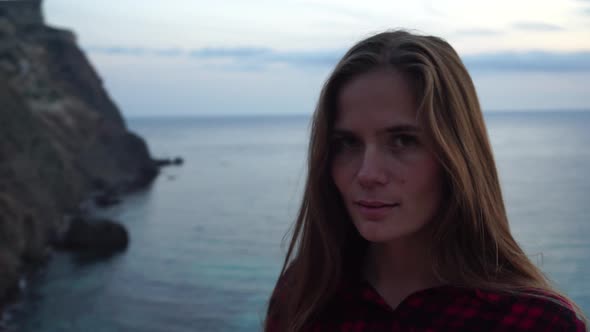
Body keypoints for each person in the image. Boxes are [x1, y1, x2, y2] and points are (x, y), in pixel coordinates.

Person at [264, 30, 588, 332]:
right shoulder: (304, 295)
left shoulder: (535, 322)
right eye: (347, 143)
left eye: (403, 141)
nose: (367, 173)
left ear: (457, 155)